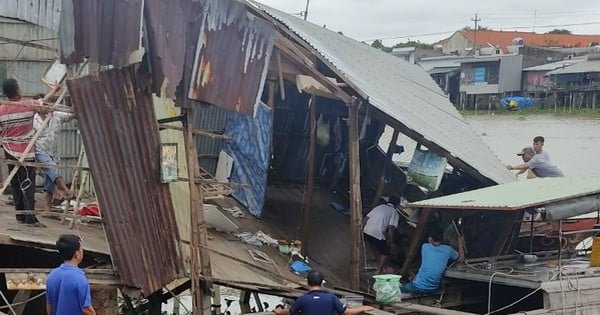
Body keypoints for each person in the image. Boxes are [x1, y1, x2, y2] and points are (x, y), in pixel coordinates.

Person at [0, 78, 58, 227]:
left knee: (15, 183)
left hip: (9, 150)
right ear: (18, 90)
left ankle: (20, 215)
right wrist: (55, 90)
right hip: (26, 151)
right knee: (28, 184)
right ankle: (30, 218)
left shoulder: (2, 109)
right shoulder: (26, 104)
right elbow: (43, 101)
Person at [33, 92, 74, 211]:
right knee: (51, 168)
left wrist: (72, 100)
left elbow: (72, 114)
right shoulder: (33, 119)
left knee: (49, 179)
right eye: (42, 104)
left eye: (46, 103)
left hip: (52, 151)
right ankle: (65, 190)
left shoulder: (56, 115)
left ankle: (47, 208)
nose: (45, 106)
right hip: (39, 150)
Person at [273, 270, 373, 315]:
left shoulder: (302, 299)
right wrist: (363, 308)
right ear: (322, 283)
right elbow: (347, 312)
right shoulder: (331, 297)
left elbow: (289, 312)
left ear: (308, 283)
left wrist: (279, 311)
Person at [400, 227, 465, 294]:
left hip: (417, 286)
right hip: (433, 288)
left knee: (399, 288)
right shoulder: (448, 250)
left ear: (430, 239)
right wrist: (460, 242)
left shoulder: (425, 247)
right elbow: (461, 259)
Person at [46, 234, 96, 315]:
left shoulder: (52, 275)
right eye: (81, 249)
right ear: (77, 254)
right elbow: (86, 309)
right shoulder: (80, 278)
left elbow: (49, 304)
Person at [363, 195, 401, 274]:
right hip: (377, 233)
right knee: (386, 252)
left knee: (371, 241)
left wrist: (361, 228)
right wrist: (391, 242)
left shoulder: (379, 206)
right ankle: (378, 270)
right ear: (397, 204)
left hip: (366, 230)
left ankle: (372, 257)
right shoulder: (394, 212)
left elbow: (366, 218)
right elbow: (391, 229)